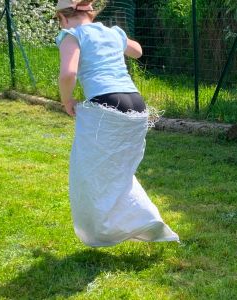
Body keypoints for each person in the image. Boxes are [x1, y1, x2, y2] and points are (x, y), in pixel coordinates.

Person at [55, 0, 178, 246]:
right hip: (137, 107)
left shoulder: (71, 35)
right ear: (90, 12)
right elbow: (138, 51)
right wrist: (113, 38)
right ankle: (148, 222)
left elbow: (68, 74)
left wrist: (67, 100)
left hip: (107, 106)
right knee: (120, 173)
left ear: (62, 17)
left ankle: (103, 231)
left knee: (88, 175)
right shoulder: (112, 32)